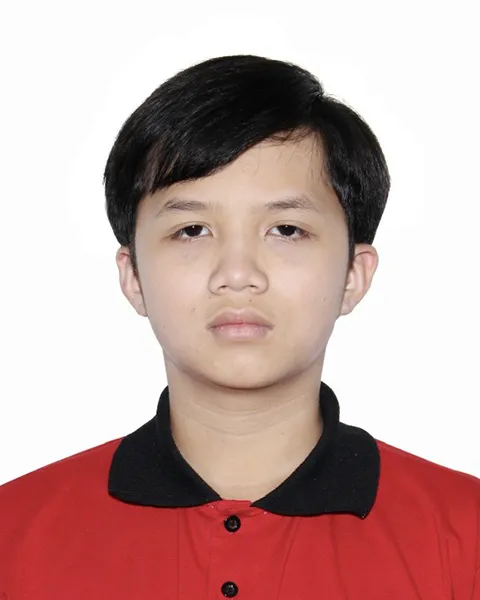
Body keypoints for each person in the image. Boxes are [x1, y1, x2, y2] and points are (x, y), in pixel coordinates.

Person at [0, 54, 478, 599]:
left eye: (287, 230)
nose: (238, 274)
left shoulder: (465, 538)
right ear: (132, 276)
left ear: (353, 275)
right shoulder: (14, 536)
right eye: (192, 230)